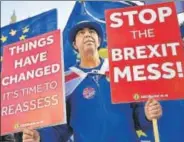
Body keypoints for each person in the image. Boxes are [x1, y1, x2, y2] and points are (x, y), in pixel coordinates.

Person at [22, 15, 162, 142]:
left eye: (92, 32)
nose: (87, 35)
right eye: (81, 33)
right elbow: (60, 129)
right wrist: (41, 137)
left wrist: (147, 115)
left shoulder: (120, 70)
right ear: (74, 45)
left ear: (99, 41)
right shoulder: (65, 81)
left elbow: (137, 113)